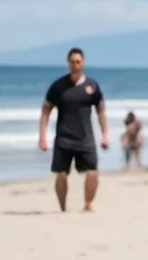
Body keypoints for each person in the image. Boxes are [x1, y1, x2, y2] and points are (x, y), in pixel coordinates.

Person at [38, 48, 109, 212]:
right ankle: (63, 208)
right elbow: (45, 111)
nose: (75, 65)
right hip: (64, 138)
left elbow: (101, 111)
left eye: (78, 62)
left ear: (83, 63)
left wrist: (105, 134)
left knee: (92, 172)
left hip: (85, 138)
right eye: (72, 62)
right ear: (68, 63)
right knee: (61, 173)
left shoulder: (92, 86)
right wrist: (42, 137)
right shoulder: (58, 86)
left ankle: (88, 203)